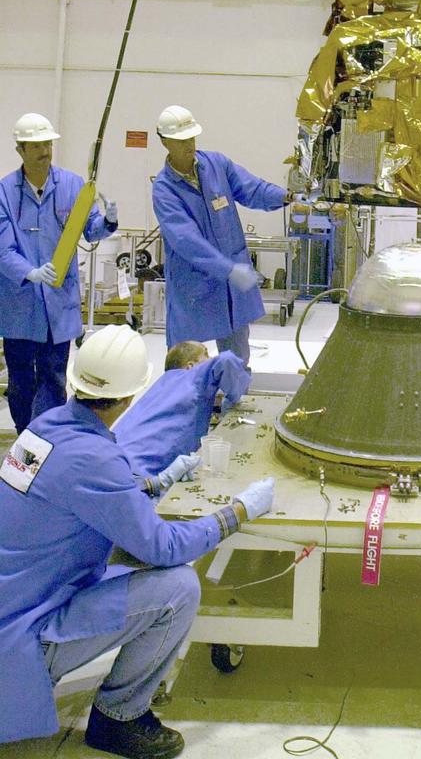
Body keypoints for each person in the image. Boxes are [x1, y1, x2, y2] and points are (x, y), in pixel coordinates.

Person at [0, 323, 275, 757]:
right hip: (19, 636)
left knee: (129, 560)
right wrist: (237, 512)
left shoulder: (42, 430)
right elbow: (161, 547)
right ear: (131, 397)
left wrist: (150, 485)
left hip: (16, 593)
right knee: (177, 588)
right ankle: (119, 718)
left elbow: (71, 494)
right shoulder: (95, 458)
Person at [0, 112, 118, 433]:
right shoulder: (4, 193)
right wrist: (30, 272)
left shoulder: (71, 185)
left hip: (58, 306)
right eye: (36, 145)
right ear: (20, 150)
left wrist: (106, 221)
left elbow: (89, 230)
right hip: (20, 307)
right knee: (21, 383)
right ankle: (27, 436)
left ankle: (48, 440)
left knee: (53, 378)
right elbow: (3, 249)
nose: (44, 151)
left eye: (48, 144)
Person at [151, 105, 287, 365]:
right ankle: (187, 404)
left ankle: (233, 399)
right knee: (185, 362)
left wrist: (286, 196)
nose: (189, 145)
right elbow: (185, 239)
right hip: (194, 283)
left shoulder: (216, 165)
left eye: (191, 137)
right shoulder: (164, 189)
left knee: (236, 358)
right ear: (165, 142)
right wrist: (227, 268)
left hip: (230, 286)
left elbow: (252, 189)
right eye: (181, 140)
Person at [114, 342, 251, 479]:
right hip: (139, 473)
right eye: (206, 354)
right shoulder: (192, 377)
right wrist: (234, 395)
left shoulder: (161, 386)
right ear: (191, 366)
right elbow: (226, 360)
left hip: (111, 456)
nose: (210, 359)